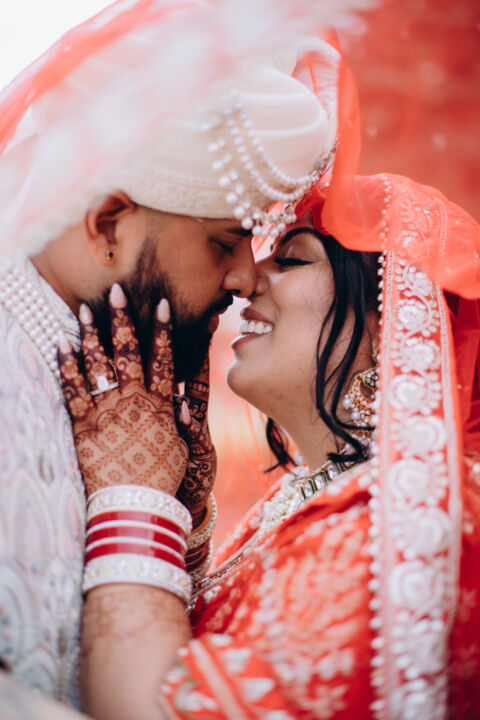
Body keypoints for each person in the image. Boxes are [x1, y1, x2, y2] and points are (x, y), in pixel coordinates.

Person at [0, 0, 347, 711]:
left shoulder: (119, 383)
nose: (246, 278)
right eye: (224, 242)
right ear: (107, 225)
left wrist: (176, 512)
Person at [58, 170, 480, 719]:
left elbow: (151, 709)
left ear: (388, 323)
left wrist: (136, 496)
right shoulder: (311, 500)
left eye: (293, 259)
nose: (247, 279)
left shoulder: (402, 516)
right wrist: (182, 514)